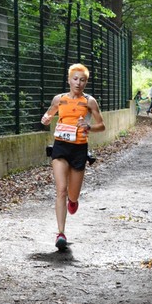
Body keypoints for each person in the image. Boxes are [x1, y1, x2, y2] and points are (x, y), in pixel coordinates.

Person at [41, 63, 105, 250]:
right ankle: (60, 233)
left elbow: (101, 125)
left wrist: (88, 126)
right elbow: (49, 114)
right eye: (75, 79)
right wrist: (45, 118)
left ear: (86, 82)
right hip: (60, 147)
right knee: (61, 189)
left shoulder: (89, 101)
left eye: (82, 80)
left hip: (79, 149)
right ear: (69, 80)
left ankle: (73, 201)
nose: (78, 83)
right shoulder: (59, 99)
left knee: (72, 194)